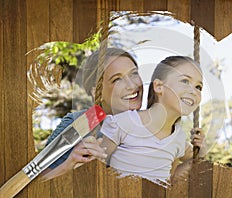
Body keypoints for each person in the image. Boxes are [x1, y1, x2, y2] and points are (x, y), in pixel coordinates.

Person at [41, 47, 144, 180]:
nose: (131, 85)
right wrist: (69, 166)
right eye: (117, 79)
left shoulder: (153, 122)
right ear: (97, 92)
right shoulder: (80, 122)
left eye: (134, 74)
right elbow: (39, 182)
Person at [100, 56, 204, 185]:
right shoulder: (123, 123)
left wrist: (201, 150)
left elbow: (173, 177)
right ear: (159, 86)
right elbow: (96, 166)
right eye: (185, 81)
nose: (193, 91)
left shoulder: (179, 139)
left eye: (198, 87)